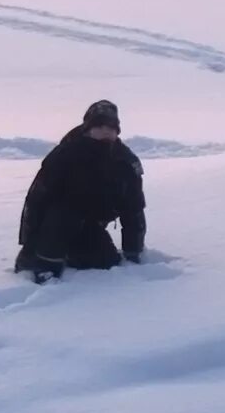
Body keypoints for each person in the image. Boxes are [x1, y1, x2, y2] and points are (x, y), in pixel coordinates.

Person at [14, 100, 147, 283]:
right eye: (100, 125)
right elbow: (36, 199)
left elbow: (134, 208)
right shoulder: (65, 155)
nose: (106, 131)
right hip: (55, 222)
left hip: (91, 224)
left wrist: (133, 250)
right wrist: (28, 243)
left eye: (111, 127)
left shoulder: (125, 162)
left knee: (105, 261)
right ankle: (45, 266)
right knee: (62, 217)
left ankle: (71, 254)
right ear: (88, 128)